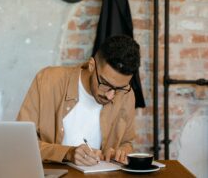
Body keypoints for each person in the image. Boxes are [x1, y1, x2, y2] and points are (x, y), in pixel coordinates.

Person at [17, 35, 140, 166]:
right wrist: (67, 153)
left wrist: (121, 152)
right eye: (105, 83)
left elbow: (126, 142)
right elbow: (20, 142)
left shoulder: (127, 94)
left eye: (119, 88)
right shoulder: (47, 81)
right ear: (92, 65)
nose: (110, 96)